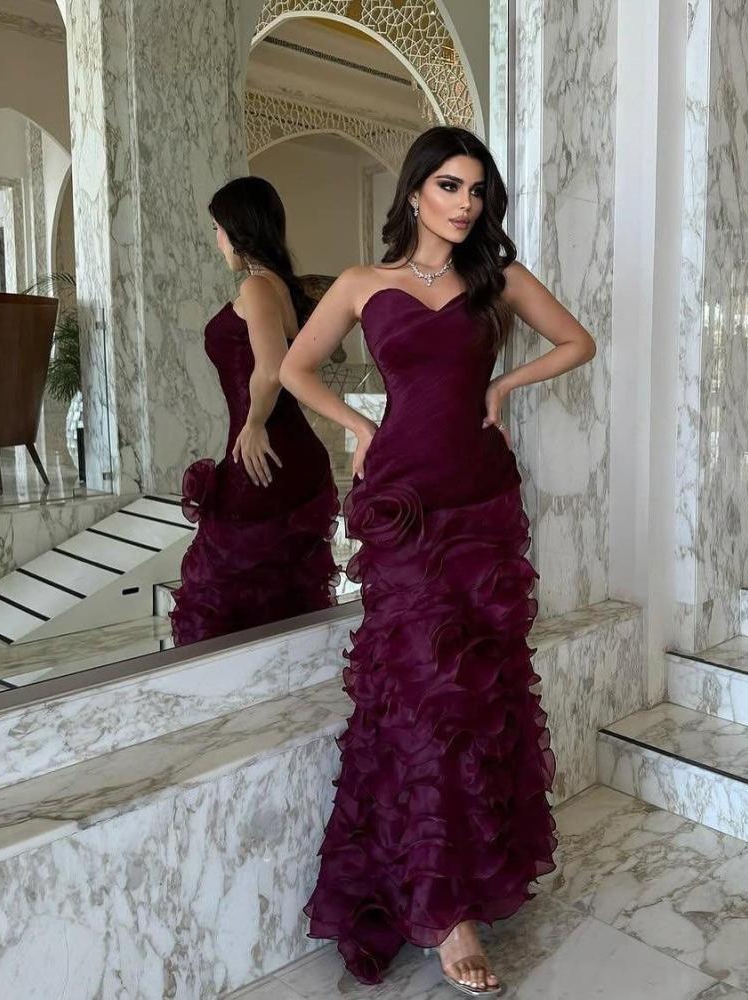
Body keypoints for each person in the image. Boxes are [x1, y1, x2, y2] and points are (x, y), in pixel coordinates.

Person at [280, 127, 596, 994]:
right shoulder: (360, 283)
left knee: (479, 692)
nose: (464, 204)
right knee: (421, 693)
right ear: (415, 191)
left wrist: (501, 386)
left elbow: (577, 342)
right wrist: (361, 428)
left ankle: (471, 876)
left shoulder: (496, 280)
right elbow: (295, 368)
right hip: (405, 506)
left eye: (476, 190)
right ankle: (443, 907)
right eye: (449, 186)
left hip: (481, 504)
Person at [170, 177, 339, 645]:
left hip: (266, 454)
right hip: (290, 455)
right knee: (277, 589)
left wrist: (254, 423)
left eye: (217, 229)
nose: (216, 240)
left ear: (237, 228)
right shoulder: (279, 285)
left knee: (219, 587)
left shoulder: (259, 286)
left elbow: (272, 368)